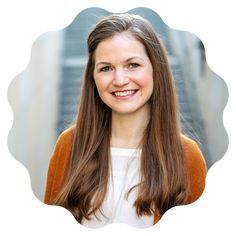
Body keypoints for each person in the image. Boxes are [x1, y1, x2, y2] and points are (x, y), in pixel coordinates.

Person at [44, 13, 207, 228]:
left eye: (132, 65)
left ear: (155, 69)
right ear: (93, 78)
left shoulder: (187, 156)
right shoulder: (69, 145)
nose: (119, 80)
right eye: (106, 68)